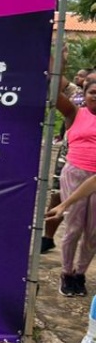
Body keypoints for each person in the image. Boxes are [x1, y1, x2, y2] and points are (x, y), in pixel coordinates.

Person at [56, 70, 96, 297]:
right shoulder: (74, 113)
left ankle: (80, 274)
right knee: (74, 227)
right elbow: (54, 90)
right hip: (75, 174)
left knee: (93, 232)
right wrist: (56, 62)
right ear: (84, 93)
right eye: (93, 92)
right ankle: (67, 272)